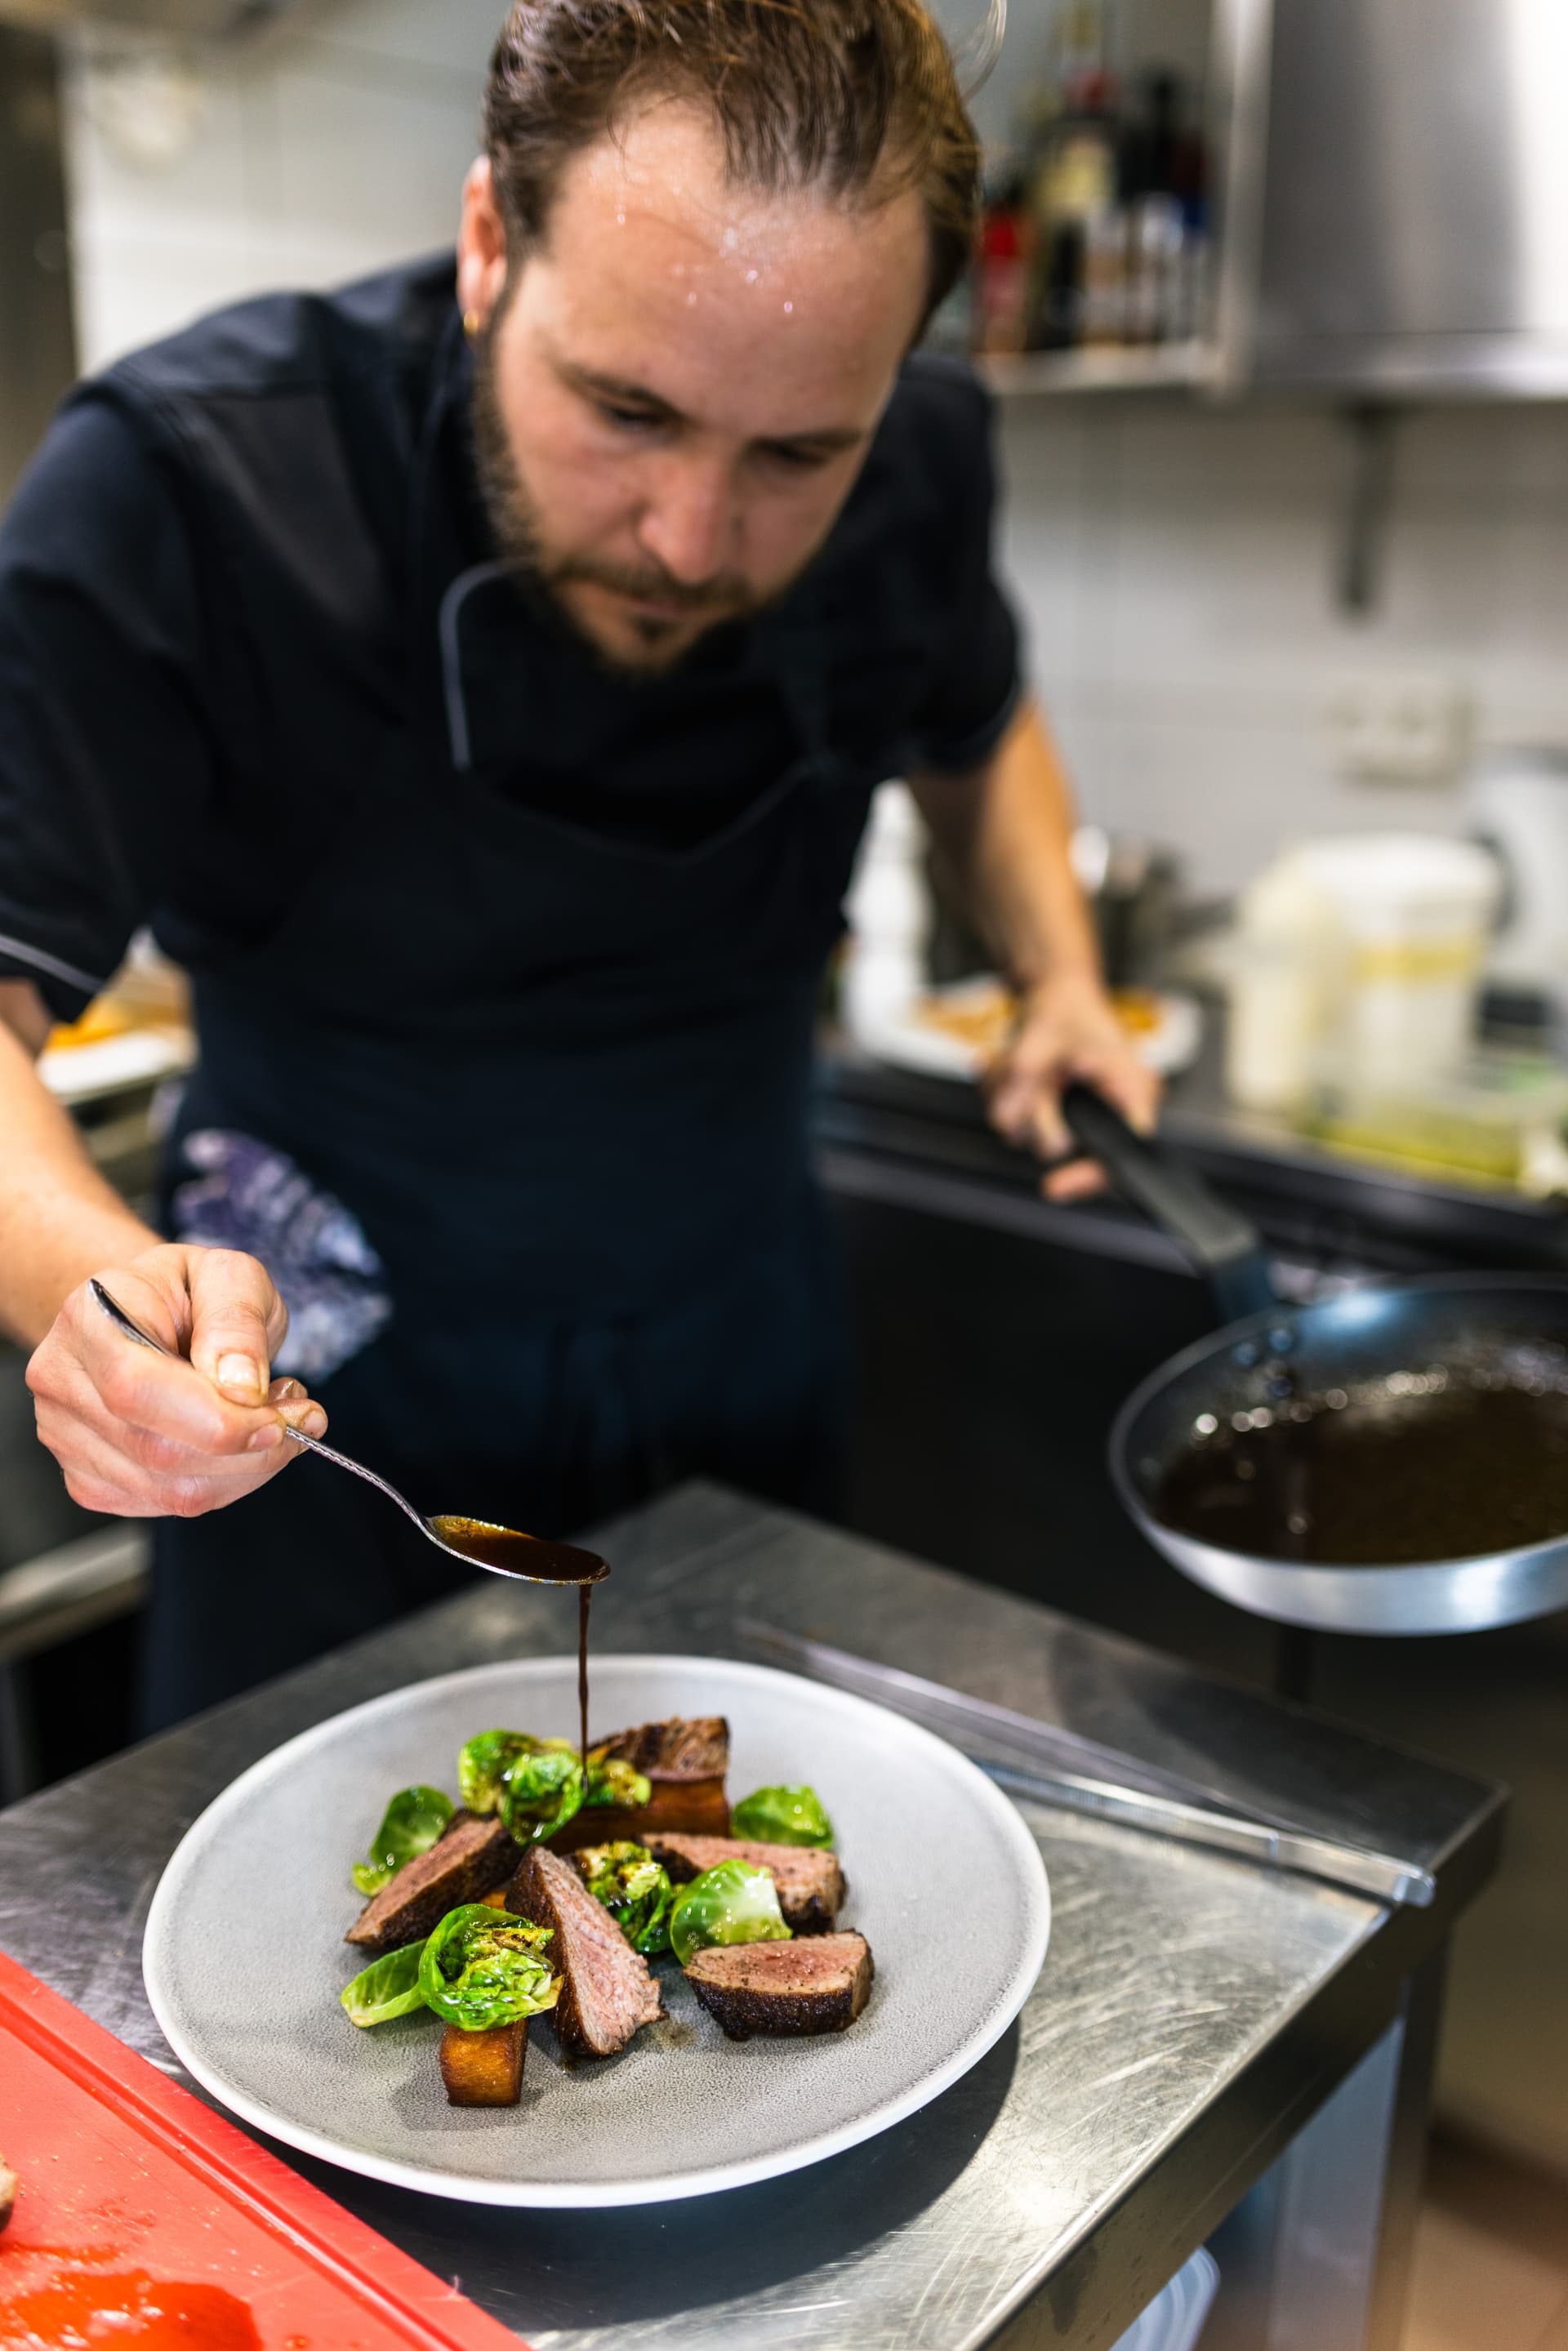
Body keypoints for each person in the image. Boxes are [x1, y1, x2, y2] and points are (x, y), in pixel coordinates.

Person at [0, 0, 1157, 1729]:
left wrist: (1056, 971)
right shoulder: (195, 481)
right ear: (487, 245)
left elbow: (975, 724)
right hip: (329, 1404)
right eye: (625, 410)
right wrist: (87, 1285)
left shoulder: (918, 459)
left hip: (742, 1334)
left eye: (794, 457)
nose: (695, 541)